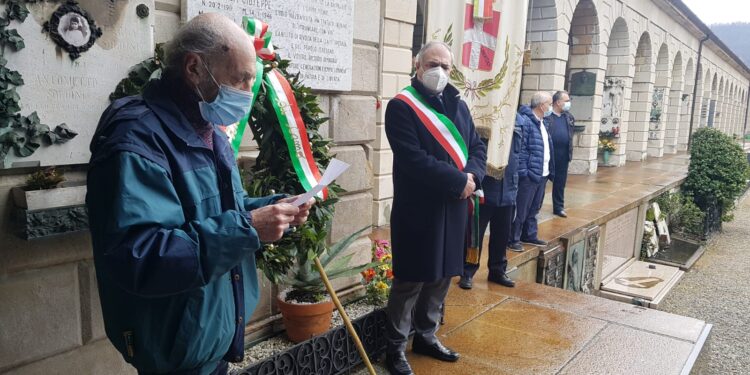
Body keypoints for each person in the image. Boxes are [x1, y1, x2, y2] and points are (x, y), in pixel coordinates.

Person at [86, 13, 315, 375]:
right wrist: (249, 228)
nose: (245, 92)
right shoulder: (136, 138)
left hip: (209, 336)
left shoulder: (207, 126)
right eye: (239, 79)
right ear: (194, 67)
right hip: (176, 347)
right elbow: (139, 254)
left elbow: (218, 211)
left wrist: (271, 209)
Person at [384, 41, 487, 375]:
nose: (439, 71)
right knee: (410, 280)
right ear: (418, 65)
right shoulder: (401, 106)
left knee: (442, 276)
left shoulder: (458, 103)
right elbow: (413, 159)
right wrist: (459, 183)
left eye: (445, 66)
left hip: (455, 208)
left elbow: (476, 147)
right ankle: (396, 348)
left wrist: (472, 175)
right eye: (432, 64)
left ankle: (426, 336)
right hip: (419, 210)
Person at [459, 121, 523, 289]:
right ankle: (467, 271)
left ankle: (497, 270)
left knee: (502, 235)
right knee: (475, 235)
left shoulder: (519, 122)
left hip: (508, 188)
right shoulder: (487, 117)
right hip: (486, 189)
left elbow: (520, 154)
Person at [508, 92, 555, 252]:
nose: (550, 107)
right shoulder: (526, 121)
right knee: (521, 208)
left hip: (542, 172)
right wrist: (524, 172)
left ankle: (529, 234)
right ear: (541, 105)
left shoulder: (542, 122)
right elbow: (520, 150)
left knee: (534, 207)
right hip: (529, 174)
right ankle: (513, 238)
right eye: (549, 103)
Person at [544, 90, 575, 218]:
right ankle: (534, 208)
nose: (568, 103)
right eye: (566, 101)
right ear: (557, 102)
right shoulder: (547, 116)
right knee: (542, 182)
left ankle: (558, 207)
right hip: (549, 155)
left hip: (563, 155)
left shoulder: (569, 117)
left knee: (560, 183)